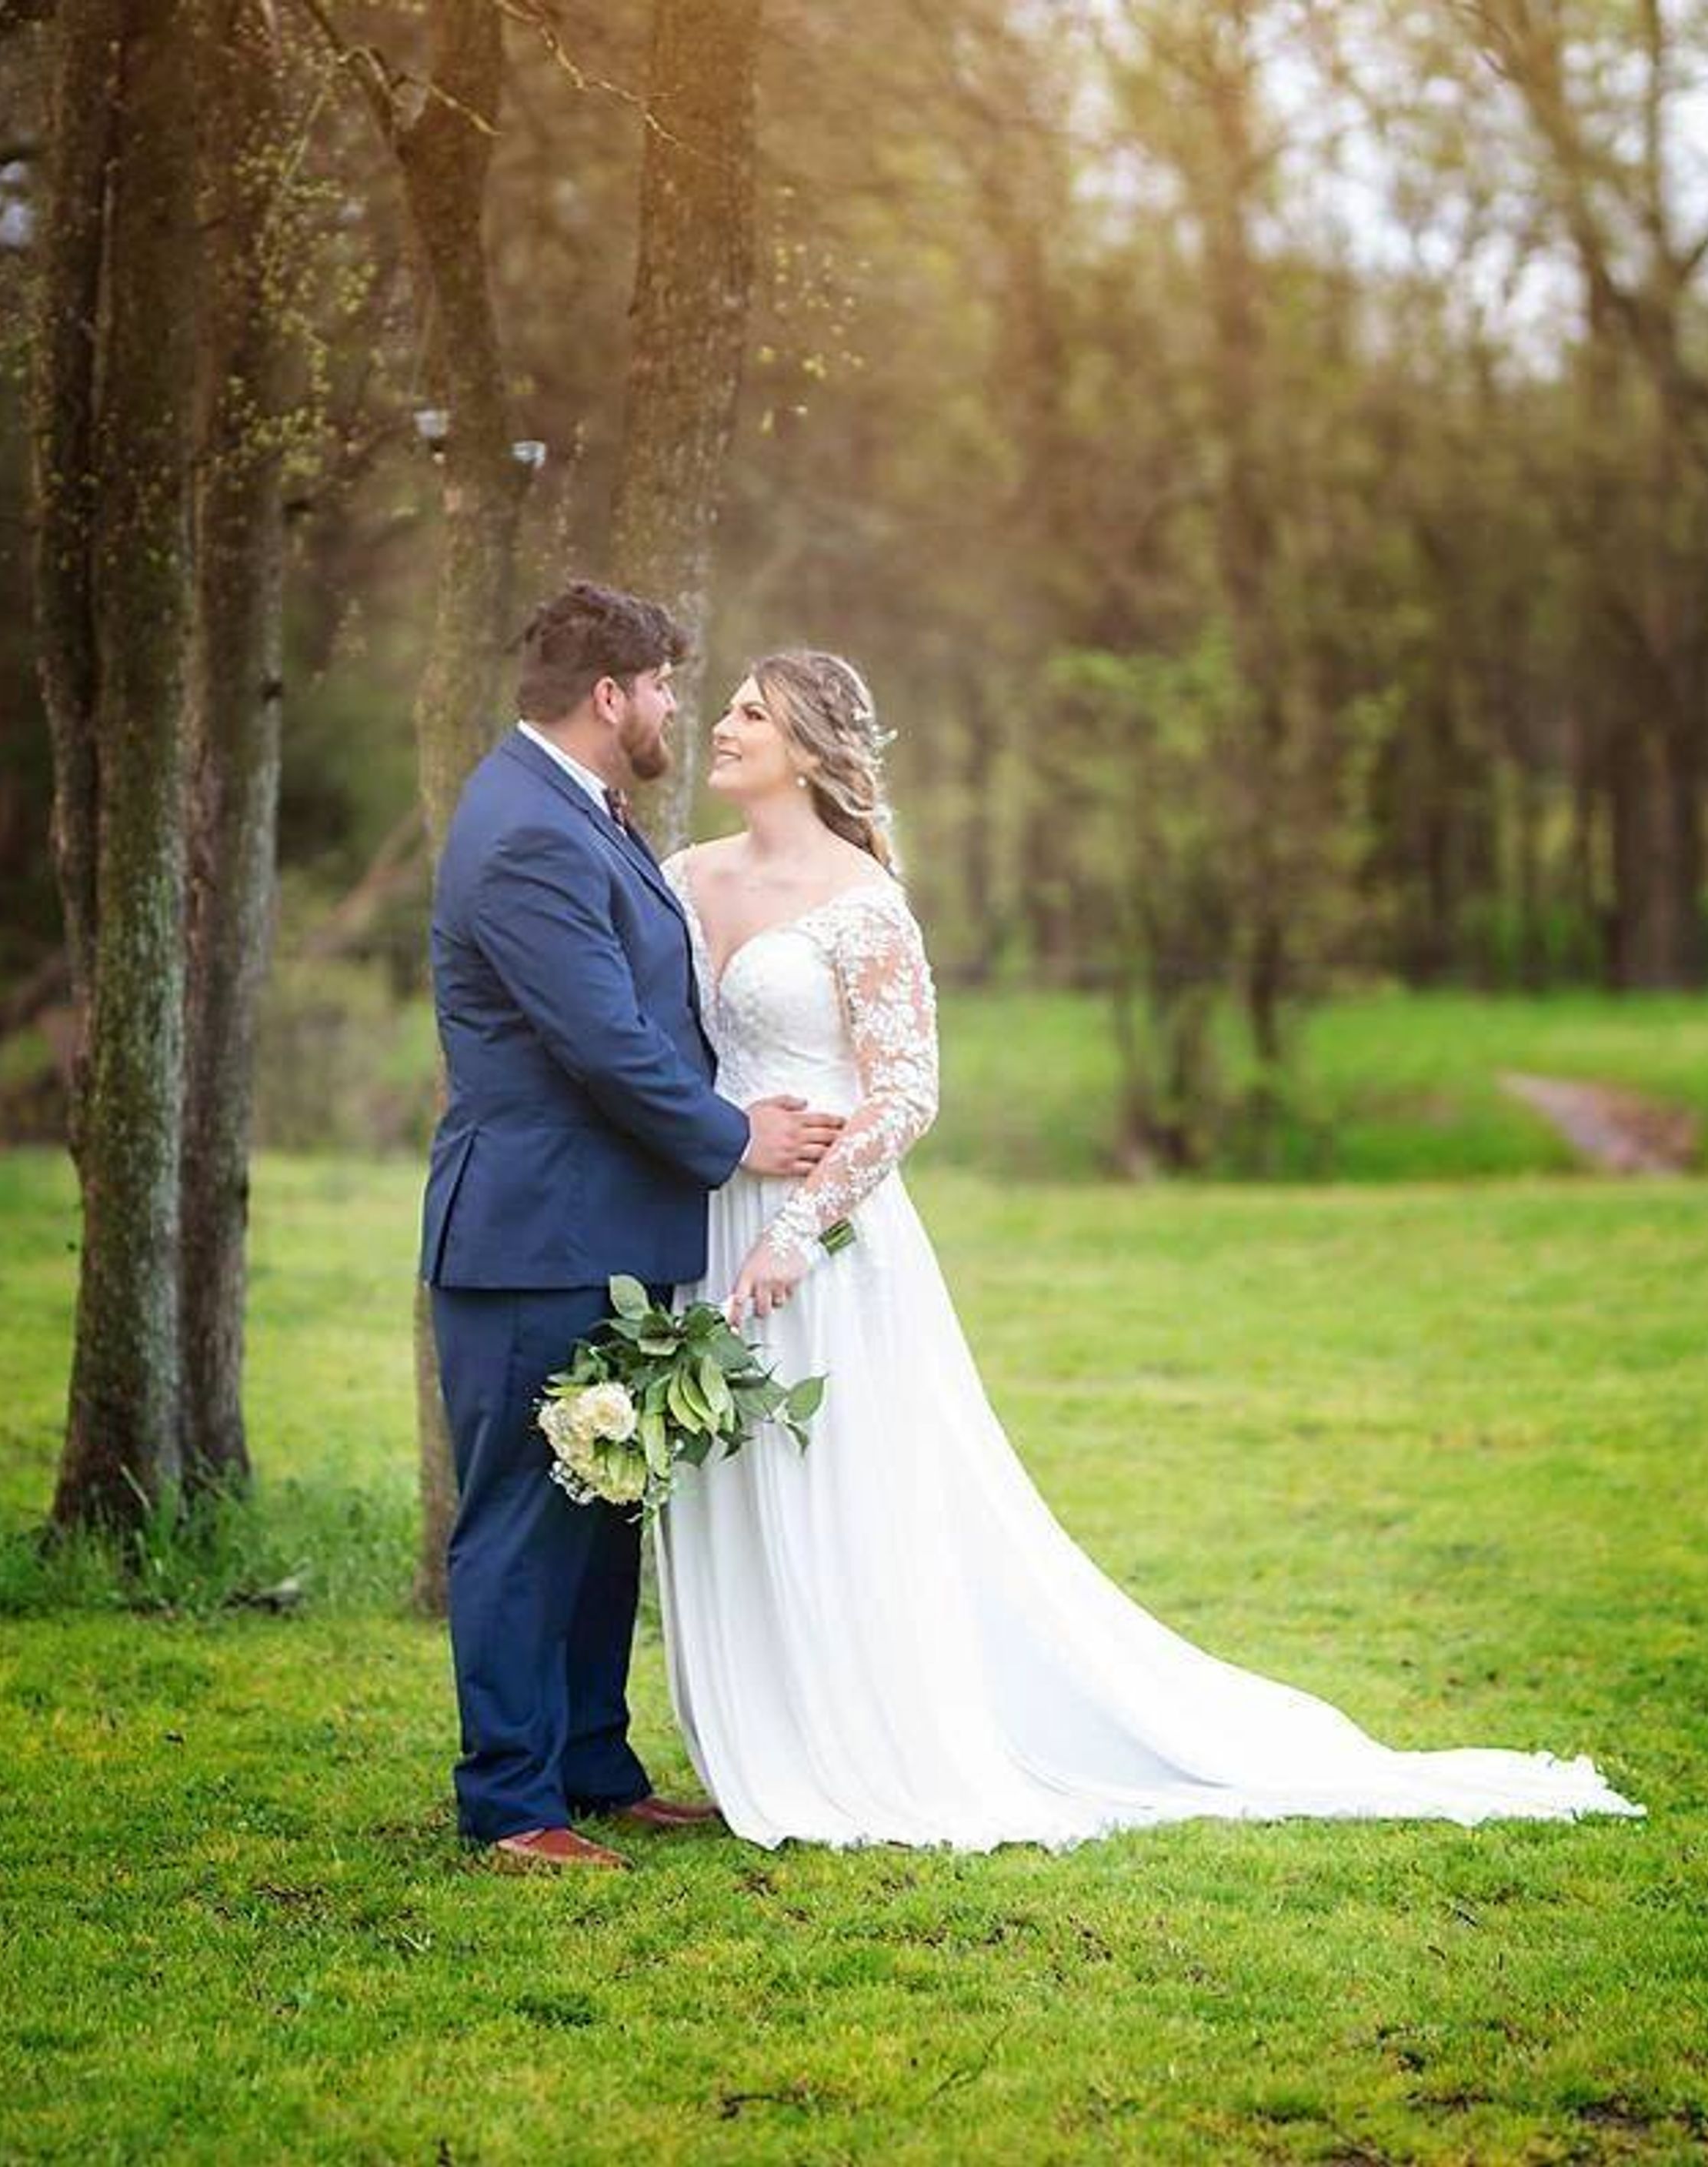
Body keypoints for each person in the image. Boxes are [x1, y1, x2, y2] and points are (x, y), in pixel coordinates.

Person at [654, 650, 1645, 1849]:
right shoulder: (681, 876)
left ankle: (858, 1748)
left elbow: (907, 1095)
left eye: (750, 714)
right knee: (738, 1483)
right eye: (725, 709)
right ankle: (768, 1742)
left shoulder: (863, 899)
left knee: (840, 1483)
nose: (721, 726)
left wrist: (802, 1232)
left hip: (825, 1237)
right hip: (714, 1215)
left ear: (808, 751)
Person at [422, 583, 844, 1874]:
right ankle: (512, 1803)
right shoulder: (525, 831)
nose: (674, 708)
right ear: (611, 696)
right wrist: (737, 1141)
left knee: (603, 1507)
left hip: (602, 1230)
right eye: (665, 685)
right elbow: (603, 1043)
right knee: (519, 1519)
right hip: (528, 1233)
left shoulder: (576, 810)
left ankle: (594, 1766)